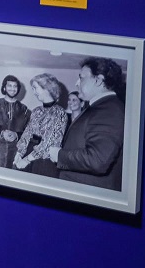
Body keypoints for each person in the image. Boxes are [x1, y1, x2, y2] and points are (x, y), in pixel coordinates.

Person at [48, 58, 126, 190]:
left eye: (81, 78)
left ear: (99, 80)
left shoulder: (110, 109)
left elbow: (98, 160)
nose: (77, 83)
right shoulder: (98, 107)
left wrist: (59, 155)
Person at [13, 73, 67, 177]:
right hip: (28, 154)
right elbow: (27, 133)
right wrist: (19, 153)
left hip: (44, 161)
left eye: (35, 88)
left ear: (46, 88)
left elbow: (49, 143)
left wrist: (27, 160)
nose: (33, 92)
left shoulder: (59, 113)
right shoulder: (36, 111)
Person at [0, 75, 30, 169]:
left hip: (15, 150)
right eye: (9, 86)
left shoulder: (24, 109)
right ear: (4, 87)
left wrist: (16, 135)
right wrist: (2, 133)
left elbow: (27, 131)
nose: (12, 89)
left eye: (15, 86)